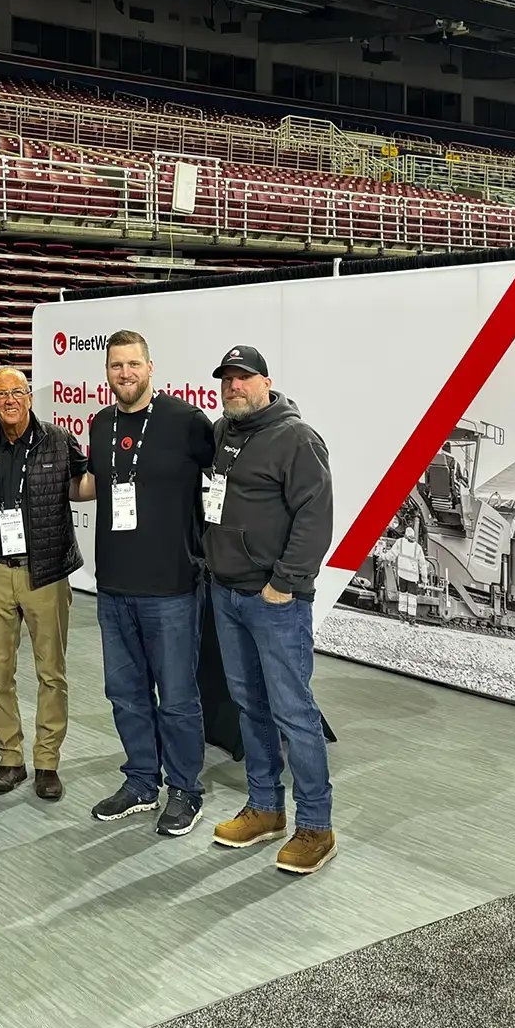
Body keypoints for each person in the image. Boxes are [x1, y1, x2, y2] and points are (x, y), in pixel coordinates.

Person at [202, 344, 337, 875]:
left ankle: (316, 826)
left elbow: (315, 515)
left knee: (293, 712)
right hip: (226, 593)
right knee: (249, 706)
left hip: (273, 600)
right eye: (226, 379)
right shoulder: (221, 435)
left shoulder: (296, 438)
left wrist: (286, 584)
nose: (234, 387)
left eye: (243, 378)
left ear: (266, 381)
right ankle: (265, 808)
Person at [82, 330, 215, 836]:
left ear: (151, 367)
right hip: (114, 586)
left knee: (177, 697)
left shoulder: (185, 422)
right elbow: (97, 483)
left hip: (173, 587)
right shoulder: (100, 424)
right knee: (125, 693)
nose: (125, 374)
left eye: (133, 364)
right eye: (116, 366)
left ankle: (185, 789)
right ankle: (141, 781)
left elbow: (226, 474)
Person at [0, 366, 88, 801]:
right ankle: (11, 758)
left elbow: (85, 483)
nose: (11, 400)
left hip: (46, 573)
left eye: (18, 392)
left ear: (29, 397)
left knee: (50, 673)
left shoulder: (58, 441)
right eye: (2, 395)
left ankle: (47, 762)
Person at [393, 523, 425, 622]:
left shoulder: (400, 542)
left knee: (402, 595)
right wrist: (424, 579)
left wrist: (382, 556)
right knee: (412, 598)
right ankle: (411, 619)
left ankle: (402, 617)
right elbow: (422, 565)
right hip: (413, 577)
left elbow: (391, 555)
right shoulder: (418, 547)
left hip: (402, 575)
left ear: (405, 535)